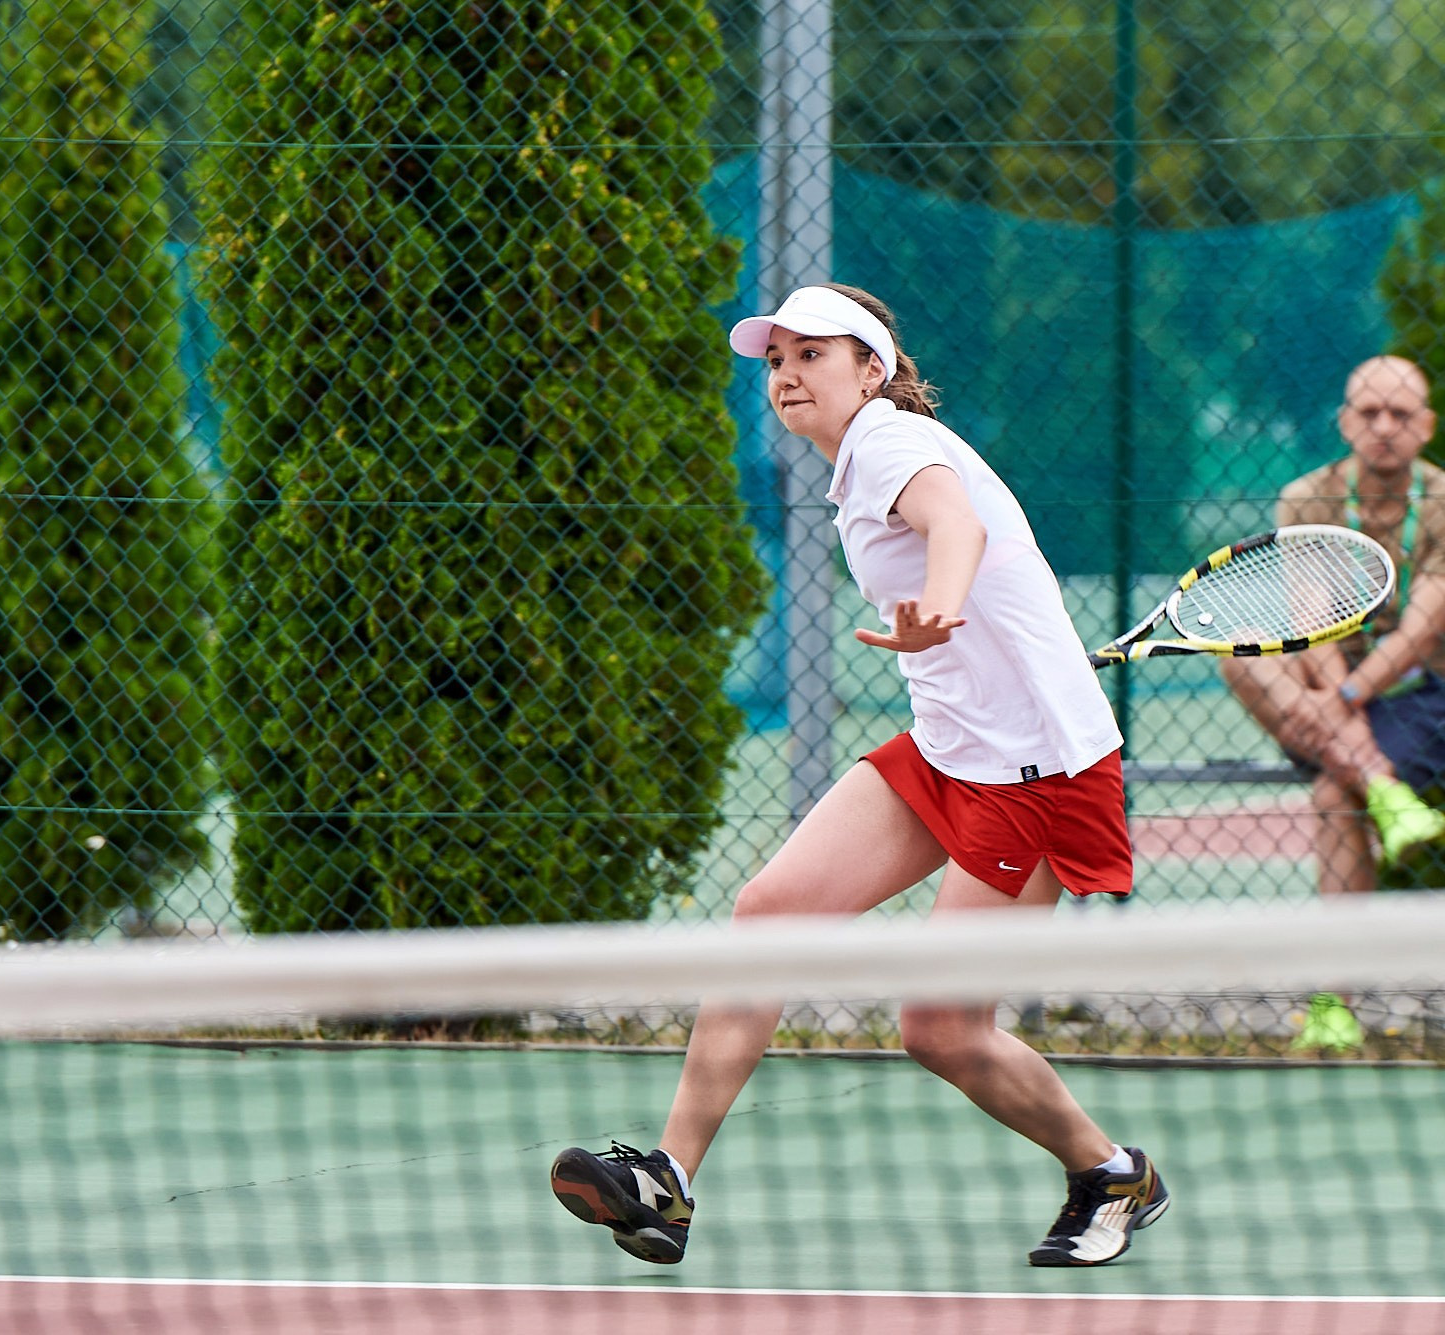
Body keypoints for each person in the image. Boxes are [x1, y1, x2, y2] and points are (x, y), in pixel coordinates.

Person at [548, 284, 1167, 1269]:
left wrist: (943, 607)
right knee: (768, 914)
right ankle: (667, 1181)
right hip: (950, 746)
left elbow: (955, 528)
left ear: (871, 369)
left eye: (813, 354)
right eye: (775, 360)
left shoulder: (888, 440)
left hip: (1035, 775)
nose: (787, 375)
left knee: (941, 1027)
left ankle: (1112, 1172)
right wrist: (953, 628)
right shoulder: (859, 464)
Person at [1218, 355, 1445, 1051]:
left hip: (1422, 691)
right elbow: (1314, 620)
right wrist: (1338, 699)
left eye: (1400, 414)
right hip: (1323, 685)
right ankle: (1382, 786)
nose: (1384, 426)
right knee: (1239, 649)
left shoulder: (1443, 500)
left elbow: (1421, 629)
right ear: (1345, 421)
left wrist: (1345, 696)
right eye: (1369, 412)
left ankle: (1332, 1004)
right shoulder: (1306, 498)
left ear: (1427, 426)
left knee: (1330, 794)